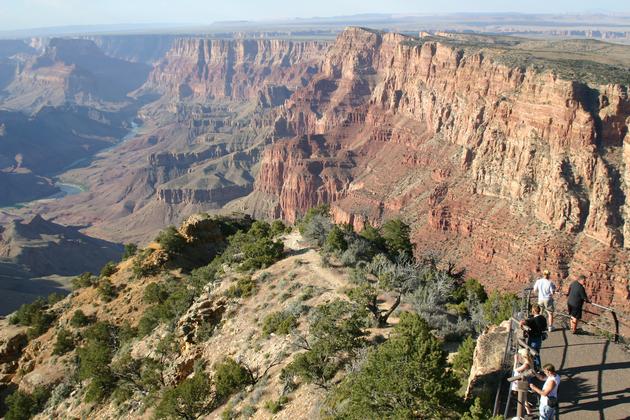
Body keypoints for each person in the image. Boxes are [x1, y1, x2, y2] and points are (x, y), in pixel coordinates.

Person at [520, 304, 547, 371]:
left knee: (533, 353)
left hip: (533, 339)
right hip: (539, 338)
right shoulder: (542, 318)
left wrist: (521, 323)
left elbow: (524, 322)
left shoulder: (533, 320)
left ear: (533, 311)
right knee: (537, 353)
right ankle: (538, 368)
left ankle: (535, 368)